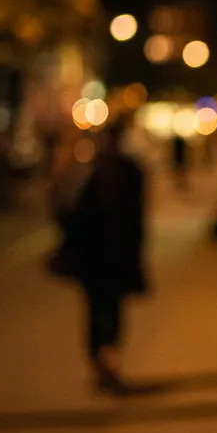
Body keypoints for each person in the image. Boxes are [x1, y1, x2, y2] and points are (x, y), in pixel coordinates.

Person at [72, 120, 147, 391]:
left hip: (93, 255)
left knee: (95, 310)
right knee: (112, 311)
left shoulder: (90, 169)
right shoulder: (131, 170)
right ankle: (108, 362)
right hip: (115, 255)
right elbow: (138, 220)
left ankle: (100, 362)